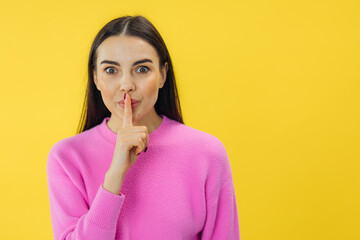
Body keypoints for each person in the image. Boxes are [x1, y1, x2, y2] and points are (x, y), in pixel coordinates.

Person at [46, 15, 240, 240]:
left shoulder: (207, 153)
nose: (126, 85)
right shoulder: (66, 158)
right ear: (96, 78)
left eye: (142, 69)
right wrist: (115, 176)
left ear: (162, 75)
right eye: (111, 70)